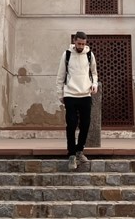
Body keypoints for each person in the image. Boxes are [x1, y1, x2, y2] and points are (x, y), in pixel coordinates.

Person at [56, 31, 99, 170]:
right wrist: (60, 94)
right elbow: (60, 76)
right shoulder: (67, 54)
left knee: (86, 124)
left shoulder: (89, 54)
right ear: (74, 41)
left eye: (83, 43)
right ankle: (72, 154)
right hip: (70, 94)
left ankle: (80, 150)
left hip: (85, 94)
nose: (81, 46)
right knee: (71, 124)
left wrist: (95, 84)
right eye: (79, 43)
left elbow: (94, 73)